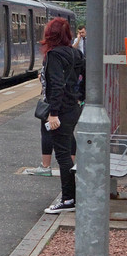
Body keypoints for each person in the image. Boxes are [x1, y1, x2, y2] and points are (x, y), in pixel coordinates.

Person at [40, 17, 85, 214]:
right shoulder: (76, 53)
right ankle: (70, 196)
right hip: (73, 107)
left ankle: (68, 199)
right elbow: (87, 77)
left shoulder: (54, 56)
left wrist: (53, 113)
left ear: (51, 35)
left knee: (63, 155)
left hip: (61, 111)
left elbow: (56, 85)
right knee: (65, 150)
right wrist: (79, 97)